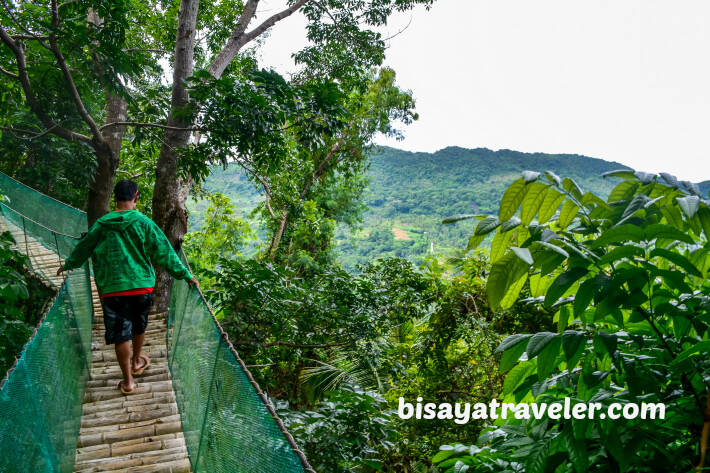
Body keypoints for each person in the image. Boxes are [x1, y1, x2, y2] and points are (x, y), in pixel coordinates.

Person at [57, 179, 198, 394]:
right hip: (142, 286)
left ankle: (128, 381)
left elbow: (83, 248)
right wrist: (186, 275)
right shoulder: (144, 223)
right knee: (139, 324)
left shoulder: (102, 224)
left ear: (115, 198)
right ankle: (137, 361)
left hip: (113, 289)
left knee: (121, 333)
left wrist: (68, 265)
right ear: (136, 197)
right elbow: (165, 253)